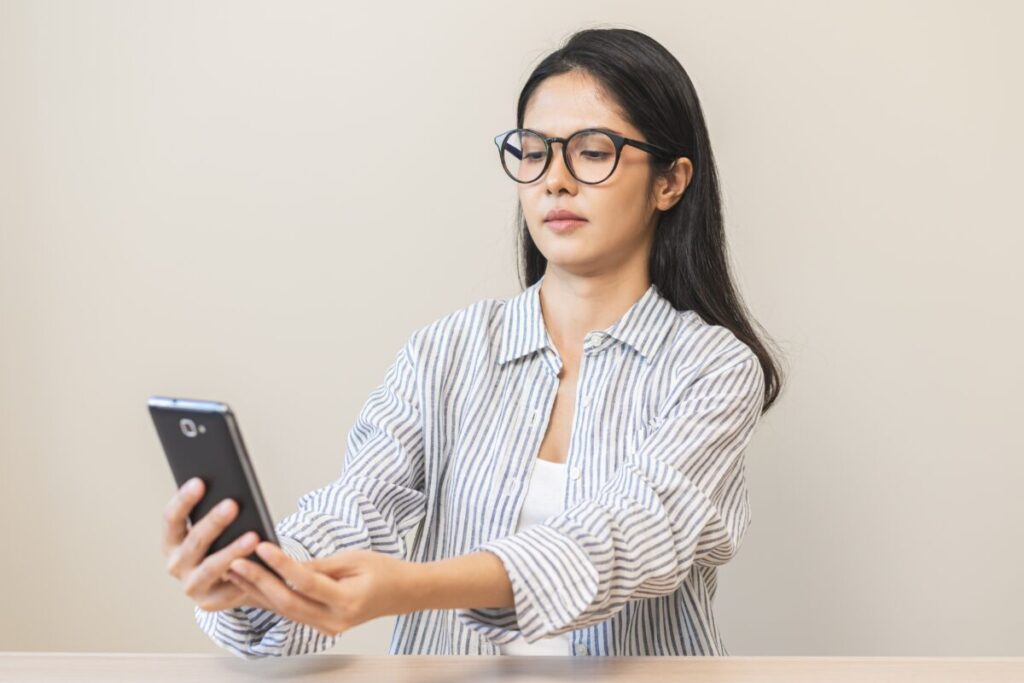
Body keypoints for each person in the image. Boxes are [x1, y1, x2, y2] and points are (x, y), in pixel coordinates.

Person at [160, 26, 785, 659]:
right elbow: (356, 508)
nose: (555, 181)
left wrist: (414, 587)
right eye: (535, 151)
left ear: (670, 181)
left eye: (593, 152)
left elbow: (623, 538)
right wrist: (255, 580)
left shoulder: (713, 368)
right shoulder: (447, 351)